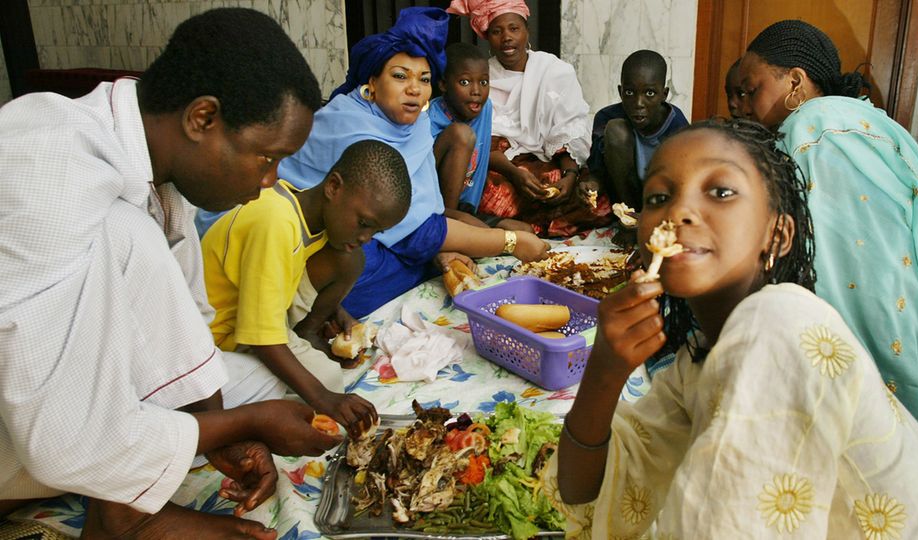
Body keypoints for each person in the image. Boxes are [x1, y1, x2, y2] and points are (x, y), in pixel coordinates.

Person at [0, 8, 344, 538]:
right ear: (202, 118)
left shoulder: (155, 175)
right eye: (266, 158)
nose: (270, 181)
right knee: (126, 232)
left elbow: (181, 332)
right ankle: (126, 520)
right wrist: (243, 422)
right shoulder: (51, 167)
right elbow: (58, 439)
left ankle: (132, 488)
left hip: (76, 405)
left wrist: (225, 435)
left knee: (272, 384)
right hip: (29, 432)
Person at [544, 118, 918, 538]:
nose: (678, 212)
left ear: (777, 235)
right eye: (659, 197)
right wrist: (604, 370)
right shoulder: (697, 360)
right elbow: (584, 491)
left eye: (721, 192)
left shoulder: (779, 325)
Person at [737, 20, 918, 463]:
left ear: (795, 81)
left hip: (884, 310)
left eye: (751, 89)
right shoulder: (859, 115)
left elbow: (839, 259)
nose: (742, 104)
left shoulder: (813, 129)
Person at [273, 6, 549, 319]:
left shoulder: (414, 124)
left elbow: (426, 210)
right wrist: (510, 242)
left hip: (385, 231)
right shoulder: (351, 125)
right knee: (362, 262)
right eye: (400, 76)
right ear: (372, 81)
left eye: (424, 79)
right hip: (312, 244)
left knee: (437, 243)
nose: (415, 89)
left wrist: (445, 242)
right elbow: (414, 230)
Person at [201, 140, 408, 436]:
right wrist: (325, 399)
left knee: (350, 259)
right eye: (364, 223)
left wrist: (336, 310)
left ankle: (305, 340)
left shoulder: (308, 214)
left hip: (257, 322)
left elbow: (281, 272)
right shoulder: (274, 219)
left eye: (376, 231)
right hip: (217, 343)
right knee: (327, 382)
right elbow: (261, 338)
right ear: (333, 187)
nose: (366, 237)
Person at [447, 0, 612, 237]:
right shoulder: (481, 77)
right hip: (502, 168)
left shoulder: (555, 71)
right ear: (487, 38)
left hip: (548, 162)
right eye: (496, 31)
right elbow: (481, 145)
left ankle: (509, 224)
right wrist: (515, 174)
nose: (506, 37)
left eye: (514, 28)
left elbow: (568, 130)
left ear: (527, 31)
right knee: (489, 193)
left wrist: (570, 176)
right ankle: (525, 223)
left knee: (594, 199)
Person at [429, 43, 529, 232]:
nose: (476, 91)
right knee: (462, 134)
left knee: (524, 231)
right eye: (465, 82)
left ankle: (470, 232)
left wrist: (515, 173)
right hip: (438, 212)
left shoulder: (485, 108)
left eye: (483, 82)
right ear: (443, 84)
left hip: (467, 209)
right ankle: (449, 230)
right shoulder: (430, 120)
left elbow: (481, 153)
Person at [586, 50, 689, 211]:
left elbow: (685, 180)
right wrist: (591, 185)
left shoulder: (677, 126)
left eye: (649, 93)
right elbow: (597, 172)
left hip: (662, 201)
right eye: (629, 92)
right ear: (620, 92)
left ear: (664, 94)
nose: (638, 103)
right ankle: (627, 215)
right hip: (622, 198)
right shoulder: (606, 118)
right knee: (616, 131)